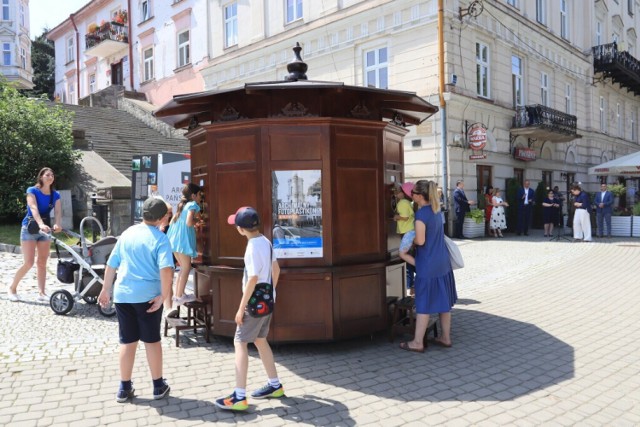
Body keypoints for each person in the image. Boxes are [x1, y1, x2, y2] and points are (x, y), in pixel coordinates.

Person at [98, 198, 174, 403]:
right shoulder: (160, 238)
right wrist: (164, 297)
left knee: (127, 341)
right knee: (152, 341)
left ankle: (124, 388)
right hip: (148, 297)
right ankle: (158, 386)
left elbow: (111, 264)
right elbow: (166, 270)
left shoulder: (127, 233)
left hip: (123, 295)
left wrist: (106, 289)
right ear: (160, 218)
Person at [215, 206, 284, 411]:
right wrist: (270, 293)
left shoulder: (252, 247)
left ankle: (239, 396)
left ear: (240, 229)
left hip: (253, 307)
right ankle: (274, 385)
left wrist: (240, 307)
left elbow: (252, 278)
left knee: (240, 342)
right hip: (267, 302)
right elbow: (276, 269)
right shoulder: (266, 242)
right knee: (260, 340)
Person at [399, 180, 457, 353]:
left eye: (413, 194)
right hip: (442, 262)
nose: (412, 196)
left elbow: (421, 240)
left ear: (418, 196)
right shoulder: (437, 210)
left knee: (423, 303)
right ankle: (446, 338)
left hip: (428, 264)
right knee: (444, 303)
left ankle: (417, 342)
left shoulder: (421, 214)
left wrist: (411, 241)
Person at [8, 167, 62, 302]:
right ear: (41, 177)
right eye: (47, 175)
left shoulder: (55, 195)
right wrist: (40, 224)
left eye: (52, 175)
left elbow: (58, 212)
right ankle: (12, 288)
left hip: (45, 230)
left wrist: (57, 224)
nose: (50, 177)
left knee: (42, 262)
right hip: (30, 229)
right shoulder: (32, 191)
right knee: (29, 262)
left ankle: (42, 293)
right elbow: (33, 208)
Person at [166, 183, 202, 308]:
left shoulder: (183, 206)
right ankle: (180, 296)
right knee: (186, 268)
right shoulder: (193, 205)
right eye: (199, 195)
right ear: (193, 195)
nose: (200, 198)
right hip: (183, 241)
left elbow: (174, 222)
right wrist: (198, 221)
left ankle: (178, 295)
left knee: (182, 268)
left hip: (175, 240)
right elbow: (188, 222)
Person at [394, 182, 415, 295]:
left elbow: (405, 217)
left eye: (397, 190)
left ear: (403, 193)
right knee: (410, 260)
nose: (396, 193)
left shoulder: (402, 203)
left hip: (406, 233)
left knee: (405, 259)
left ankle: (410, 286)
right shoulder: (408, 202)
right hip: (411, 232)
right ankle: (412, 286)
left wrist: (396, 217)